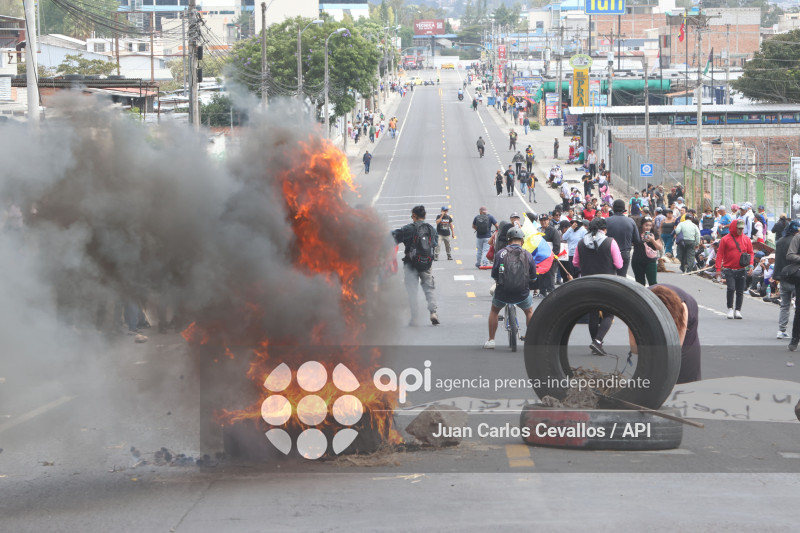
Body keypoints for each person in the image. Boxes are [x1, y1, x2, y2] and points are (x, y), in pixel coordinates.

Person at [629, 285, 701, 384]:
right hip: (647, 307)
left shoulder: (682, 308)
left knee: (681, 365)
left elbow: (675, 350)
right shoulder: (636, 307)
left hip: (684, 317)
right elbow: (635, 349)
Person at [573, 217, 624, 356]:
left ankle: (596, 342)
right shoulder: (610, 242)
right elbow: (619, 265)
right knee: (609, 313)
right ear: (604, 229)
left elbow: (575, 263)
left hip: (588, 282)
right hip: (607, 283)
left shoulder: (581, 242)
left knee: (593, 314)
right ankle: (598, 341)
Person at [483, 228, 538, 349]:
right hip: (522, 293)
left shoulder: (501, 253)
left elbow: (494, 275)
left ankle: (491, 340)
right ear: (522, 241)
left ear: (508, 241)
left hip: (503, 293)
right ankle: (533, 340)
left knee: (494, 311)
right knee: (529, 312)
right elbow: (533, 277)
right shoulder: (527, 254)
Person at [392, 205, 440, 326]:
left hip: (410, 264)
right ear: (425, 215)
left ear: (414, 216)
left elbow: (393, 237)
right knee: (429, 288)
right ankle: (433, 312)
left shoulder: (408, 228)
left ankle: (414, 317)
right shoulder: (431, 229)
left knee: (412, 291)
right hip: (426, 263)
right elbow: (434, 244)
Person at [715, 219, 754, 320]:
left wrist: (751, 265)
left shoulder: (746, 239)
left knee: (740, 290)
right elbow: (719, 254)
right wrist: (718, 269)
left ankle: (738, 310)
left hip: (741, 269)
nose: (740, 230)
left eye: (742, 228)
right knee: (731, 289)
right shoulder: (725, 239)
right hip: (729, 269)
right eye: (738, 228)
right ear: (733, 228)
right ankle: (730, 308)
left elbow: (751, 253)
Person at [776, 221, 800, 340]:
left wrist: (777, 276)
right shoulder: (796, 240)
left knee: (785, 305)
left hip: (784, 275)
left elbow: (777, 261)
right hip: (796, 275)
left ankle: (781, 330)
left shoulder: (780, 241)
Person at [605, 199, 641, 277]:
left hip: (608, 253)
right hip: (624, 252)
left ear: (613, 208)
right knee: (622, 278)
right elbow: (637, 240)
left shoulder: (606, 221)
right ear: (624, 209)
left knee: (609, 278)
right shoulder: (631, 221)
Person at [631, 216, 663, 286]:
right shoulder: (636, 233)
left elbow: (659, 247)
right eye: (646, 225)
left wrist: (652, 240)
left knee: (653, 283)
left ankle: (654, 297)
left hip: (650, 261)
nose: (648, 227)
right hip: (637, 261)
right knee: (639, 283)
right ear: (642, 225)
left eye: (650, 225)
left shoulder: (654, 233)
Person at [538, 213, 561, 297]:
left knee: (550, 275)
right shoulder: (538, 231)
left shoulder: (553, 231)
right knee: (541, 275)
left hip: (550, 257)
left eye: (545, 220)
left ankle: (551, 292)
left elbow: (557, 245)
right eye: (541, 220)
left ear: (548, 220)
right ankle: (542, 292)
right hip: (540, 257)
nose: (543, 222)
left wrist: (552, 256)